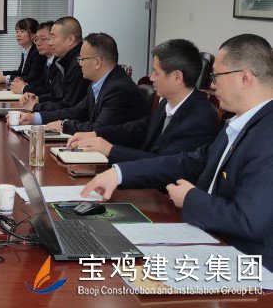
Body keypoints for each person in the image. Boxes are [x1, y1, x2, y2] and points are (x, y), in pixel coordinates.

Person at [81, 34, 273, 270]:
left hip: (249, 265)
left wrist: (190, 198)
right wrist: (120, 173)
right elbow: (189, 161)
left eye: (217, 76)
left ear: (244, 78)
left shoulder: (268, 134)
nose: (212, 85)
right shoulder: (239, 123)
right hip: (209, 239)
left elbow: (248, 221)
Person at [67, 39, 220, 163]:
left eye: (156, 72)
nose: (151, 78)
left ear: (177, 77)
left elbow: (165, 164)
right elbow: (139, 128)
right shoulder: (168, 103)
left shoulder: (200, 117)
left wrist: (111, 150)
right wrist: (95, 134)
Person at [19, 32, 149, 134]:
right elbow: (75, 112)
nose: (79, 63)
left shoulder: (119, 89)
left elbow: (98, 129)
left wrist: (64, 125)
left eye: (82, 59)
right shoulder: (97, 84)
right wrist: (34, 118)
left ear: (97, 62)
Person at [19, 16, 89, 112]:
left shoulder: (79, 64)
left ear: (70, 39)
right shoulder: (64, 60)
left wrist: (36, 107)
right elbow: (57, 94)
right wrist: (37, 99)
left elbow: (68, 106)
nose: (50, 43)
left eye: (53, 37)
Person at [0, 18, 46, 86]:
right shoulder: (26, 51)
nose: (18, 34)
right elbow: (20, 72)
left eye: (22, 31)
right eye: (17, 31)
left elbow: (32, 78)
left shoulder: (37, 52)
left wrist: (6, 79)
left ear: (34, 35)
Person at [10, 21, 55, 95]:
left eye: (42, 39)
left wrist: (24, 88)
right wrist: (24, 85)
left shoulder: (59, 62)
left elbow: (53, 92)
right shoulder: (49, 60)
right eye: (36, 39)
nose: (38, 43)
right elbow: (42, 82)